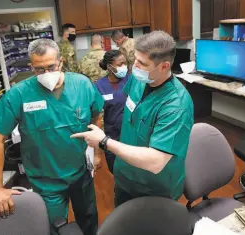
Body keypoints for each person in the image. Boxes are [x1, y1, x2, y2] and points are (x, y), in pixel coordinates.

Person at [0, 39, 104, 235]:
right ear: (32, 67)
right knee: (53, 227)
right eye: (39, 69)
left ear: (61, 61)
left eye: (51, 67)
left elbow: (95, 119)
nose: (46, 74)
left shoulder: (82, 85)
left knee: (89, 219)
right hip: (46, 180)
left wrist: (97, 153)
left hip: (80, 172)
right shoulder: (19, 94)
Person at [72, 31, 194, 207]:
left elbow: (156, 161)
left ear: (164, 66)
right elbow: (132, 112)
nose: (134, 66)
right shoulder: (138, 79)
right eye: (135, 59)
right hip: (125, 176)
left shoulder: (176, 105)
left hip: (154, 188)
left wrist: (104, 141)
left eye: (142, 63)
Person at [95, 50, 129, 173]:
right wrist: (97, 153)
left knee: (133, 171)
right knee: (115, 170)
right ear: (110, 67)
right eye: (120, 64)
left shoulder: (130, 81)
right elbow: (97, 118)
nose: (124, 67)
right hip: (112, 137)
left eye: (125, 63)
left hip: (131, 136)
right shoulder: (99, 86)